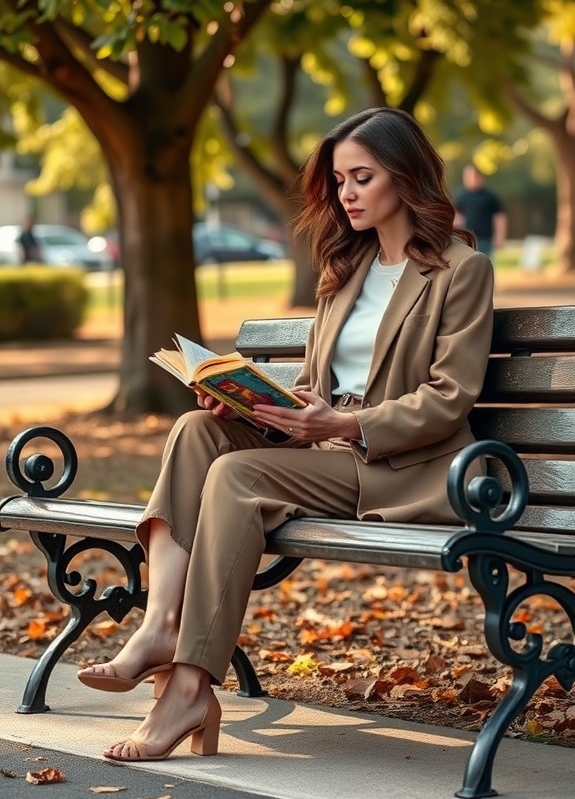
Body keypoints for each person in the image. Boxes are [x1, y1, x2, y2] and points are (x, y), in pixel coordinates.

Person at [77, 107, 494, 763]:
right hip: (324, 445)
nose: (346, 193)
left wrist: (346, 422)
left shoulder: (460, 270)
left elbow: (448, 398)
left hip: (403, 465)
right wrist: (246, 405)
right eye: (338, 180)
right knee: (194, 435)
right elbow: (313, 389)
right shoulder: (346, 272)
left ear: (405, 176)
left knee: (238, 476)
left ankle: (189, 689)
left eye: (362, 177)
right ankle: (160, 626)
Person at [454, 164, 507, 257]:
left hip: (485, 239)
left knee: (485, 266)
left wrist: (500, 236)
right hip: (467, 238)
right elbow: (456, 216)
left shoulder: (490, 196)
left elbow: (499, 217)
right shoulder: (460, 196)